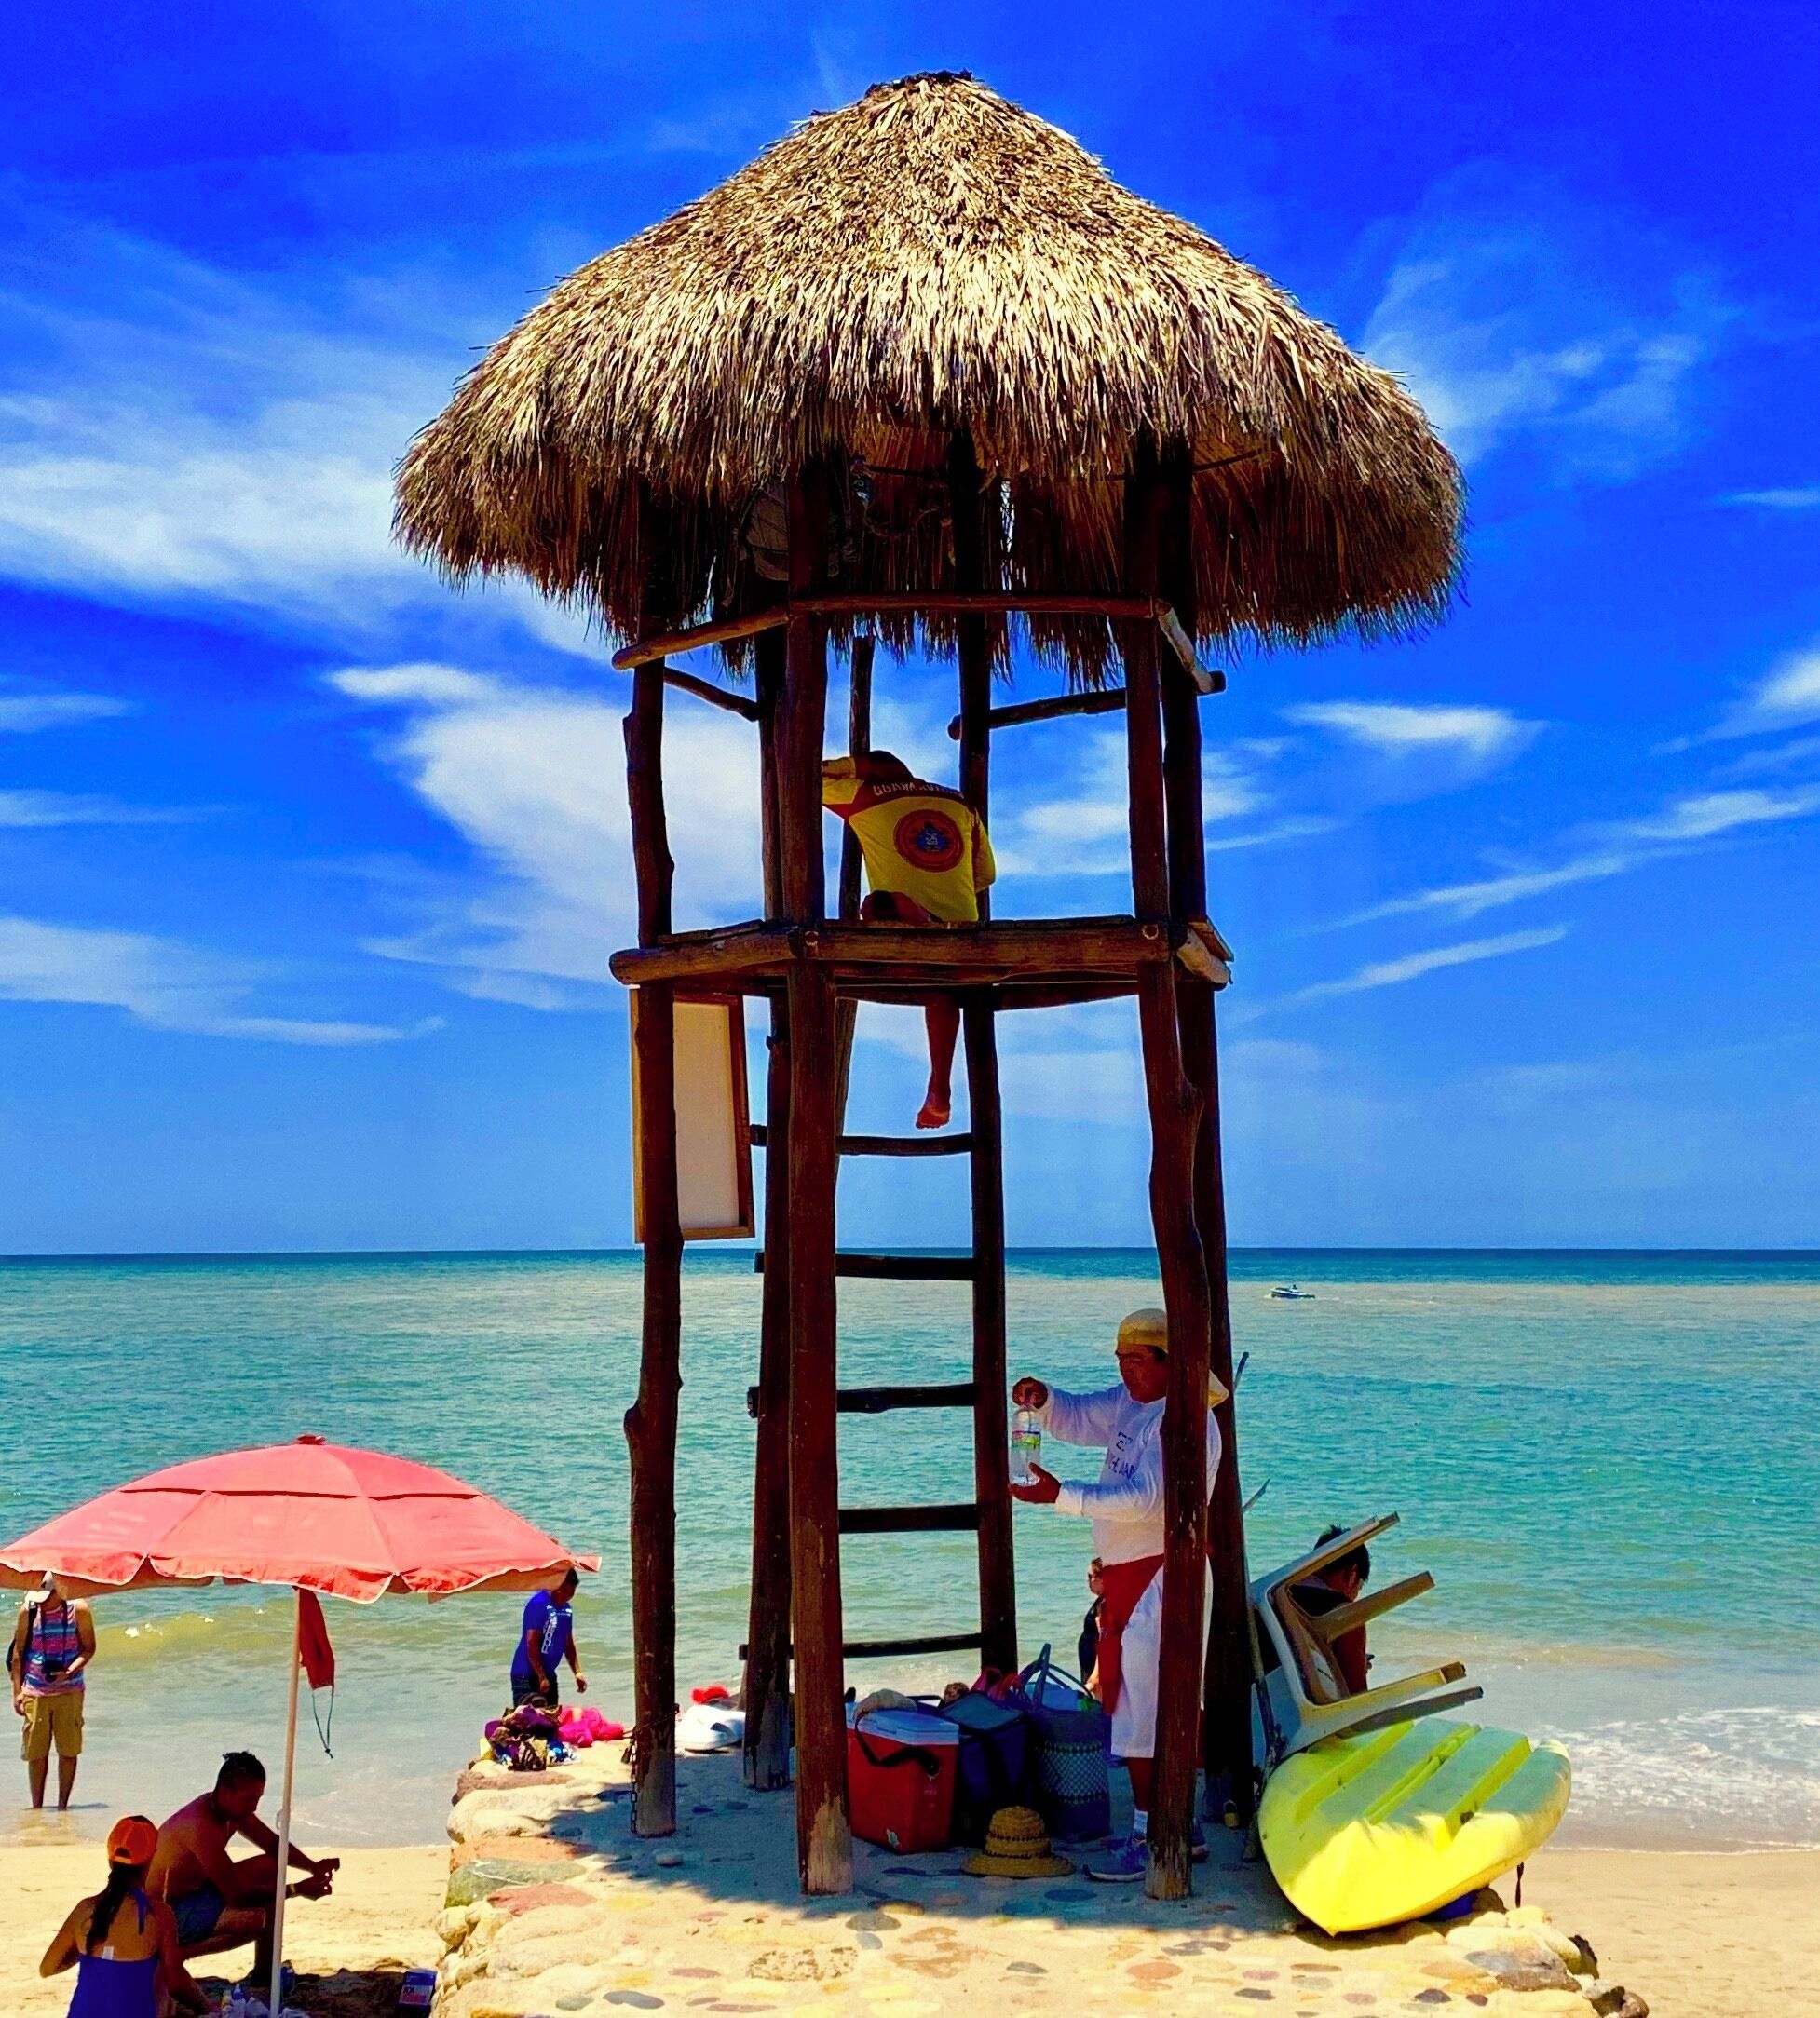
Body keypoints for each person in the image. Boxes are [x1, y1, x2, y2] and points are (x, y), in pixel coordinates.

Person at [1008, 1306, 1228, 1883]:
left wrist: (1065, 1496)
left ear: (1168, 1363)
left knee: (1146, 1710)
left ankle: (1152, 1833)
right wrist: (1045, 1398)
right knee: (1136, 1701)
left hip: (1163, 1575)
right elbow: (1081, 1416)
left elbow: (1146, 1498)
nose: (1127, 1372)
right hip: (1128, 1575)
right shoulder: (1134, 1403)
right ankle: (1173, 1823)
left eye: (1138, 1361)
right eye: (1122, 1361)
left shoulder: (1186, 1421)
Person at [821, 750, 997, 1129]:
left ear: (869, 774)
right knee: (939, 985)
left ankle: (912, 916)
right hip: (964, 933)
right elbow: (985, 876)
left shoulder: (864, 796)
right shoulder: (960, 802)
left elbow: (802, 780)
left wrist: (846, 768)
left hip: (903, 934)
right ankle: (939, 1086)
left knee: (877, 907)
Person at [149, 1752, 339, 1988]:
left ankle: (265, 1973)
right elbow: (237, 1896)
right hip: (165, 1911)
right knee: (254, 1920)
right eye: (249, 1799)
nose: (255, 1806)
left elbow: (272, 1844)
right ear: (227, 1792)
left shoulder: (232, 1811)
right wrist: (296, 1889)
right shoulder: (199, 1826)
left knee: (270, 1866)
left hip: (198, 1889)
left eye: (258, 1798)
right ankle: (178, 1954)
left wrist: (313, 1866)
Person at [39, 1815, 211, 2018]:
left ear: (110, 1858)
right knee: (161, 1974)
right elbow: (177, 1985)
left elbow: (47, 1968)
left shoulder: (85, 1910)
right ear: (151, 1859)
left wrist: (90, 1950)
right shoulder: (158, 1915)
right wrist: (206, 2008)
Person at [10, 1574, 97, 1810]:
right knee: (36, 1754)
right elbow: (18, 1653)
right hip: (35, 1690)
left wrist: (69, 1671)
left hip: (70, 1690)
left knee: (68, 1751)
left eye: (46, 1597)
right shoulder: (28, 1612)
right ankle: (37, 1807)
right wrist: (17, 1692)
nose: (41, 1602)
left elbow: (89, 1648)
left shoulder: (79, 1610)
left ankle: (62, 1807)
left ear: (60, 1590)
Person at [1292, 1525, 1372, 1696]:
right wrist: (1359, 1667)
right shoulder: (1345, 1615)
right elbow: (1356, 1695)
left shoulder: (1277, 1597)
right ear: (1352, 1574)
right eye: (1360, 1585)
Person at [510, 1570, 587, 1708]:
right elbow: (531, 1643)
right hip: (526, 1675)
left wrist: (578, 1672)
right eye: (563, 1592)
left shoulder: (566, 1609)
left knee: (550, 1721)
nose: (565, 1598)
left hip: (549, 1675)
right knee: (526, 1722)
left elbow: (568, 1644)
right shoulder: (538, 1603)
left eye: (570, 1594)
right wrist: (541, 1676)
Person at [1077, 1558, 1106, 1694]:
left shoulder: (1105, 1605)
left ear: (1101, 1579)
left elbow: (1104, 1640)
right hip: (1090, 1669)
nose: (1087, 1582)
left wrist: (1096, 1676)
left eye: (1090, 1577)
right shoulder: (1102, 1601)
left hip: (1096, 1674)